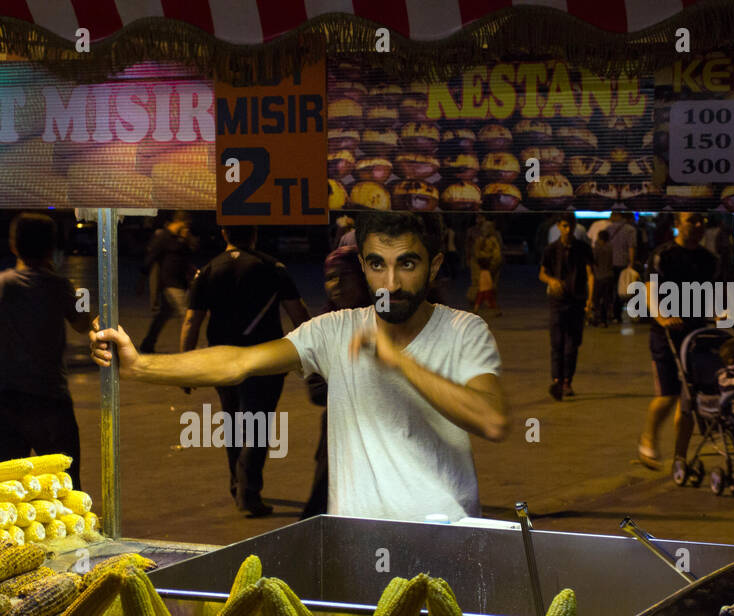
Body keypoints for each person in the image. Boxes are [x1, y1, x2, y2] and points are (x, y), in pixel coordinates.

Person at [92, 211, 509, 522]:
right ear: (363, 266)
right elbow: (238, 361)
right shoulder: (335, 329)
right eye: (378, 265)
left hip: (446, 536)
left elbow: (491, 419)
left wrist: (399, 362)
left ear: (433, 266)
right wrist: (139, 367)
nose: (392, 283)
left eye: (408, 264)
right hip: (354, 540)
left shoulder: (463, 331)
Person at [180, 225, 311, 516]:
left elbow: (192, 322)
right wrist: (310, 356)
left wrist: (186, 366)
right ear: (254, 234)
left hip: (222, 360)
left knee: (233, 422)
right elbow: (298, 314)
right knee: (257, 425)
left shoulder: (209, 270)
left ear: (224, 233)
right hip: (264, 361)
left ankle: (237, 484)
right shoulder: (273, 268)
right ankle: (248, 493)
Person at [0, 213, 91, 488]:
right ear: (51, 248)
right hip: (50, 403)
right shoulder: (59, 287)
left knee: (10, 493)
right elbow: (84, 323)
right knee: (65, 487)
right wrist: (83, 296)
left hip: (3, 403)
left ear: (13, 246)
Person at [638, 212, 718, 471]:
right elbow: (650, 292)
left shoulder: (709, 260)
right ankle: (647, 439)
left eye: (702, 221)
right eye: (692, 220)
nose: (698, 226)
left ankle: (680, 458)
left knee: (690, 399)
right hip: (666, 336)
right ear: (677, 224)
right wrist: (662, 316)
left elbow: (714, 295)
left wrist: (718, 313)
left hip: (697, 336)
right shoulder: (663, 255)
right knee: (667, 395)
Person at [301, 246, 369, 520]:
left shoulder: (390, 321)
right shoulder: (322, 327)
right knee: (324, 505)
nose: (336, 284)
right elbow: (316, 390)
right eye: (330, 277)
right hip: (340, 433)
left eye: (345, 275)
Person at [539, 214, 595, 400]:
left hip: (577, 301)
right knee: (556, 343)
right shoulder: (551, 249)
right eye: (564, 226)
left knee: (572, 346)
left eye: (570, 225)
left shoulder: (583, 249)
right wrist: (552, 281)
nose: (568, 229)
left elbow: (590, 274)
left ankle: (567, 382)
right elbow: (542, 273)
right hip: (557, 302)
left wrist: (590, 300)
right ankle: (556, 380)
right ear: (559, 226)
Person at [139, 211, 198, 354]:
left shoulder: (180, 238)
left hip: (180, 282)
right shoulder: (163, 237)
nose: (187, 227)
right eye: (185, 224)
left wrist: (186, 240)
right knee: (186, 315)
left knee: (163, 315)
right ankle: (188, 350)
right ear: (178, 222)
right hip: (170, 283)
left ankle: (148, 343)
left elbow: (189, 254)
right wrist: (141, 281)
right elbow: (150, 258)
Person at [590, 230, 617, 328]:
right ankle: (604, 319)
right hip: (609, 276)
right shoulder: (610, 248)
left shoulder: (597, 248)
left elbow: (593, 261)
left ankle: (597, 318)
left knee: (597, 299)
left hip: (599, 277)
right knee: (606, 299)